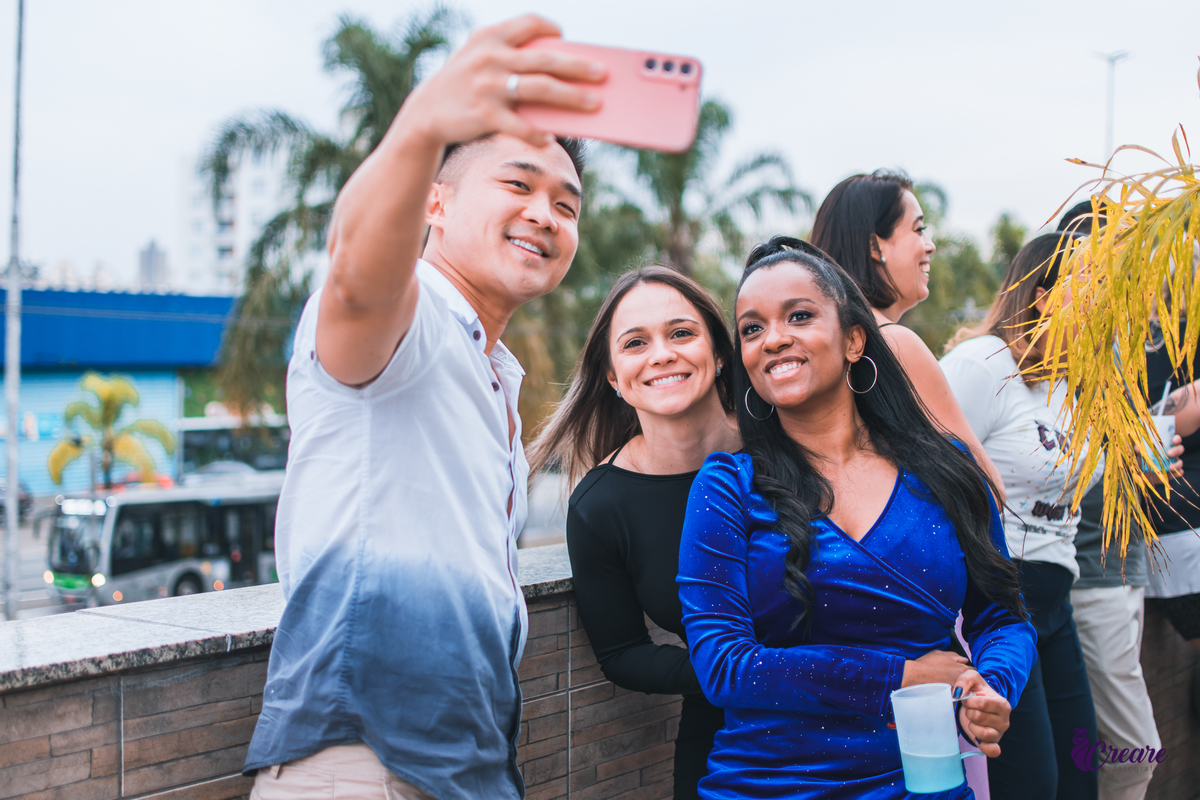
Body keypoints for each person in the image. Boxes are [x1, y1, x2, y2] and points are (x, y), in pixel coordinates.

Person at [242, 15, 609, 800]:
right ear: (433, 205)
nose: (546, 214)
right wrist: (424, 123)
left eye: (567, 204)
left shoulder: (492, 371)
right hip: (362, 759)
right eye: (518, 185)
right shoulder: (407, 322)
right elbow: (354, 275)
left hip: (464, 770)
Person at [678, 236, 1036, 799]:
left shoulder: (947, 470)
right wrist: (901, 678)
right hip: (772, 785)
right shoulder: (727, 487)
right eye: (751, 328)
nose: (773, 339)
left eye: (798, 316)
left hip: (924, 780)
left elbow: (1003, 618)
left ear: (852, 339)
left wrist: (991, 686)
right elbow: (725, 666)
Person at [529, 266, 741, 799]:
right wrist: (741, 672)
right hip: (726, 741)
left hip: (862, 716)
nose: (662, 354)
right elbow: (623, 651)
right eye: (635, 343)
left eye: (681, 333)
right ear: (613, 378)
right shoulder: (601, 505)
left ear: (719, 353)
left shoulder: (788, 450)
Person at [942, 232, 1105, 799]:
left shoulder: (1079, 384)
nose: (1109, 297)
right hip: (1001, 592)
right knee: (1032, 782)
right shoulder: (984, 363)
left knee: (1083, 774)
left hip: (1057, 595)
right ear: (1043, 294)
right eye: (1096, 283)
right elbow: (923, 465)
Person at [810, 171, 1005, 500]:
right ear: (875, 245)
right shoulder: (895, 342)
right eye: (918, 229)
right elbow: (987, 486)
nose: (929, 246)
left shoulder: (817, 338)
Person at [1059, 200, 1162, 800]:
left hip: (1129, 563)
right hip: (1088, 569)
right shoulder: (1062, 346)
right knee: (1134, 752)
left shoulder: (1122, 345)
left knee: (1103, 750)